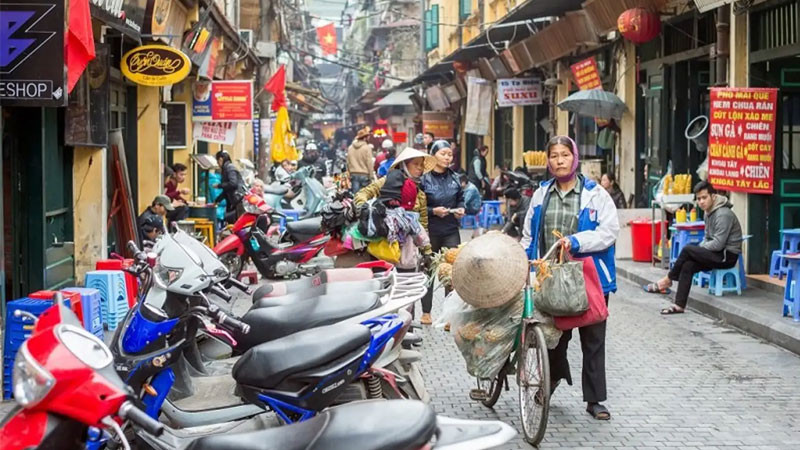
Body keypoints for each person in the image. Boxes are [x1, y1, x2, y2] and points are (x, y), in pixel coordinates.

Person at [520, 135, 619, 421]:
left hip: (589, 276)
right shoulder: (541, 194)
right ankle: (551, 380)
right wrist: (525, 261)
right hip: (551, 276)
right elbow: (529, 234)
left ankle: (594, 400)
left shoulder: (595, 194)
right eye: (554, 156)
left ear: (574, 158)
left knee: (593, 339)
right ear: (548, 161)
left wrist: (577, 241)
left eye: (565, 155)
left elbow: (609, 231)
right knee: (554, 338)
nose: (559, 161)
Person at [644, 181, 742, 315]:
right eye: (699, 198)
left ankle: (668, 279)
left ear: (713, 196)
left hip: (726, 256)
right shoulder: (708, 212)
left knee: (688, 249)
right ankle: (679, 305)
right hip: (715, 253)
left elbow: (718, 244)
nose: (701, 202)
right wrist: (700, 250)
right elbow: (707, 237)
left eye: (704, 197)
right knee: (688, 265)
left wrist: (698, 250)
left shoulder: (723, 214)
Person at [419, 140, 465, 325]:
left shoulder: (455, 178)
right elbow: (418, 207)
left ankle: (449, 316)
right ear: (433, 155)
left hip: (450, 230)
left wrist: (460, 209)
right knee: (428, 270)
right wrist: (433, 211)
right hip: (430, 231)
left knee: (451, 273)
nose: (447, 158)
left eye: (450, 154)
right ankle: (426, 312)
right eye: (443, 154)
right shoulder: (423, 179)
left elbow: (460, 199)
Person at [213, 150, 245, 224]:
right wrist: (217, 200)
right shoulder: (227, 168)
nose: (218, 164)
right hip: (235, 200)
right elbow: (227, 190)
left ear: (220, 159)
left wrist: (219, 185)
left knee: (237, 222)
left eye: (217, 162)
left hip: (238, 200)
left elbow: (233, 184)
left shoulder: (230, 168)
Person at [347, 127, 375, 194]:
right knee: (364, 195)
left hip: (353, 174)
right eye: (367, 137)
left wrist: (349, 174)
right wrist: (371, 176)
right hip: (364, 174)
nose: (368, 138)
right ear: (364, 138)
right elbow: (369, 163)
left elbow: (348, 162)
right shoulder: (367, 148)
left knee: (356, 195)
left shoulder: (350, 148)